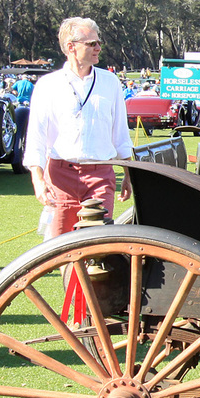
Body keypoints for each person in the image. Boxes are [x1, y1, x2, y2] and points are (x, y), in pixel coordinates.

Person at [25, 17, 133, 239]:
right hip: (60, 175)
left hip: (101, 174)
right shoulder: (48, 85)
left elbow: (121, 135)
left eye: (98, 42)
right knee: (61, 247)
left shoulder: (110, 82)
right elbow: (35, 137)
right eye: (91, 43)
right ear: (70, 47)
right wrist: (38, 179)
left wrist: (129, 174)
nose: (98, 48)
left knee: (96, 248)